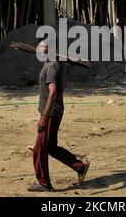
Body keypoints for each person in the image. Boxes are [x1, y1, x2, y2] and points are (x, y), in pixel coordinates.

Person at [28, 40, 90, 192]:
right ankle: (80, 167)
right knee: (51, 147)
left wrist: (44, 116)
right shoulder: (51, 62)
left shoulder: (52, 65)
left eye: (43, 47)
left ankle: (44, 183)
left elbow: (53, 91)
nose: (39, 49)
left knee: (39, 148)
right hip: (53, 111)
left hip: (50, 113)